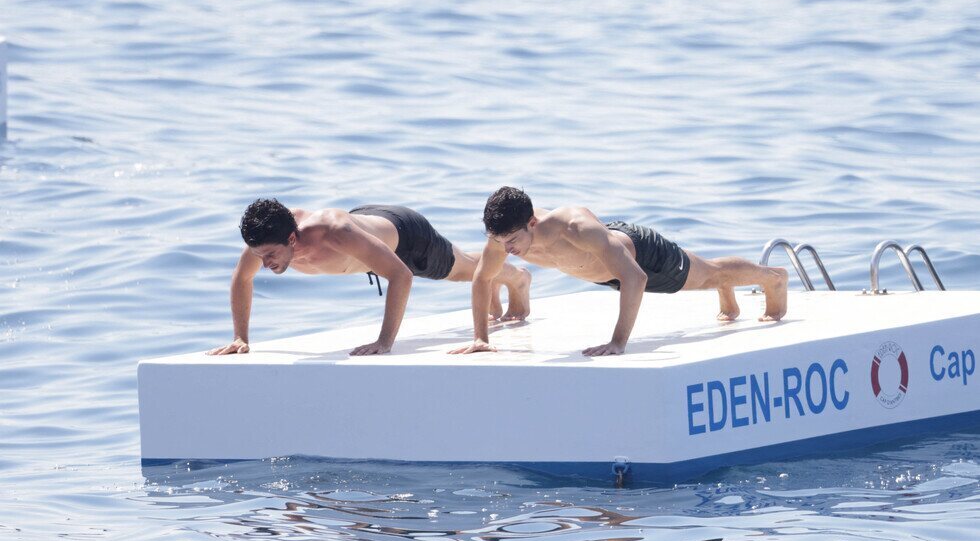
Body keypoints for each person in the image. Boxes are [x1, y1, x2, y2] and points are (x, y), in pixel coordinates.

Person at [451, 186, 788, 357]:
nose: (506, 249)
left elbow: (636, 277)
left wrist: (617, 342)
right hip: (606, 266)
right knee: (706, 276)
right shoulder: (503, 237)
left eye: (512, 241)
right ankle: (726, 291)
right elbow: (482, 277)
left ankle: (774, 279)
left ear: (532, 223)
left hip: (640, 255)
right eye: (499, 241)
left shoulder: (573, 226)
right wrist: (481, 337)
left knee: (707, 274)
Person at [208, 198, 530, 356]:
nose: (263, 264)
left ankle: (516, 279)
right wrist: (242, 338)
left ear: (292, 240)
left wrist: (384, 342)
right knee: (465, 268)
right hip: (367, 228)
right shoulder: (264, 241)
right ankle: (498, 280)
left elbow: (402, 276)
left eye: (270, 256)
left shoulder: (334, 233)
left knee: (461, 270)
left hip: (405, 236)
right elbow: (241, 279)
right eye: (258, 255)